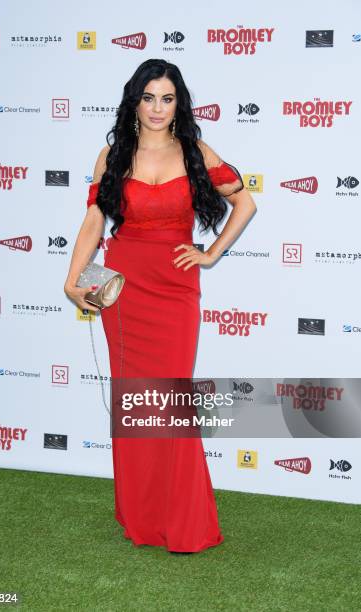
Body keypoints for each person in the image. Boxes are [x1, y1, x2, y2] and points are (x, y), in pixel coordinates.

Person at [64, 59, 257, 553]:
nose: (157, 108)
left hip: (175, 288)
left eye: (167, 98)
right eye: (149, 97)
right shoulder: (112, 154)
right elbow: (93, 222)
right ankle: (143, 519)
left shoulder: (194, 151)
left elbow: (246, 203)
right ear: (135, 101)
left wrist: (210, 254)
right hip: (124, 290)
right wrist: (71, 279)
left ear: (179, 104)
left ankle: (183, 521)